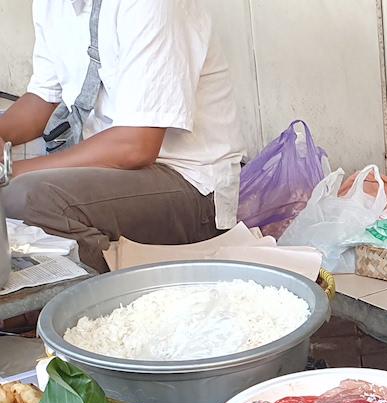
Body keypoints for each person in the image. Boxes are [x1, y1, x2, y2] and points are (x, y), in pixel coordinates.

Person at [0, 0, 245, 273]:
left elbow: (136, 146)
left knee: (29, 197)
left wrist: (11, 172)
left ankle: (104, 298)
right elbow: (43, 97)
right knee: (18, 199)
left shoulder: (150, 5)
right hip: (110, 171)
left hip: (189, 185)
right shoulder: (50, 4)